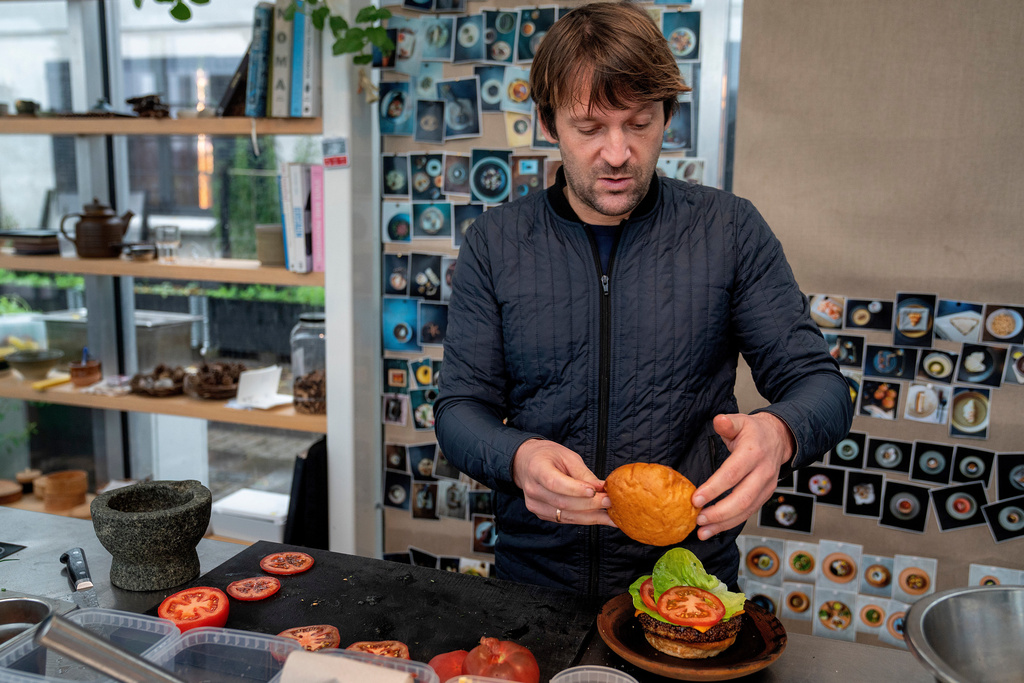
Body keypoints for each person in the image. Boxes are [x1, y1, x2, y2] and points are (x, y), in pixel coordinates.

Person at [434, 0, 853, 597]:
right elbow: (458, 411)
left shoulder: (728, 230)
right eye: (589, 128)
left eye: (638, 123)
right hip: (536, 580)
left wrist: (781, 431)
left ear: (667, 116)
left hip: (687, 581)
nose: (617, 154)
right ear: (549, 124)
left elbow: (822, 385)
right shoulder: (496, 244)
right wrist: (517, 455)